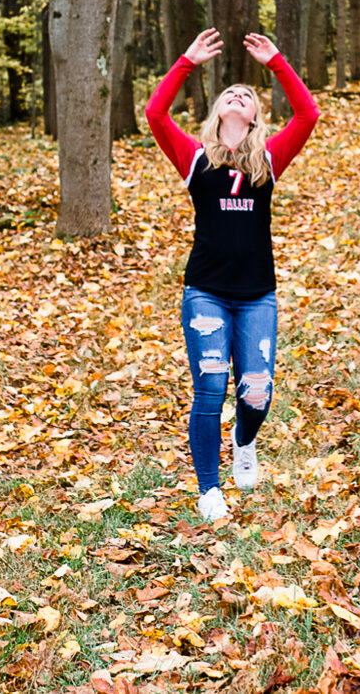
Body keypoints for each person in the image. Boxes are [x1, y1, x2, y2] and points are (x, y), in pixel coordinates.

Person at [144, 28, 318, 523]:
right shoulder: (195, 158)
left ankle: (244, 442)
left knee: (257, 390)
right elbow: (156, 114)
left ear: (257, 116)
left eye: (248, 95)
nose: (239, 96)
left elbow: (308, 115)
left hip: (257, 294)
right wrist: (187, 62)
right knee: (210, 385)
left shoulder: (268, 159)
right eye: (230, 94)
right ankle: (208, 490)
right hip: (206, 292)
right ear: (219, 111)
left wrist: (276, 63)